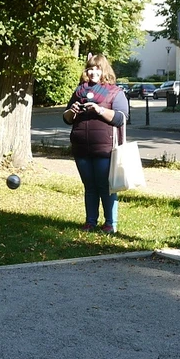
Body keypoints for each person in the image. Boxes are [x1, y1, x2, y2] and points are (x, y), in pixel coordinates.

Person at [63, 54, 129, 233]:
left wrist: (100, 110)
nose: (93, 72)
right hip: (81, 147)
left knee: (105, 186)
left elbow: (121, 118)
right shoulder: (79, 91)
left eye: (97, 68)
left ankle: (110, 224)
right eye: (90, 68)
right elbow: (67, 118)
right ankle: (90, 222)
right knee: (89, 186)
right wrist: (72, 111)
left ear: (104, 70)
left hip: (104, 149)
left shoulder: (116, 92)